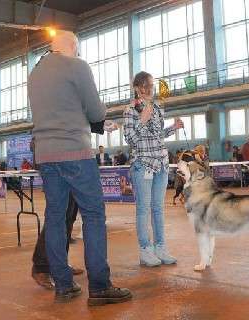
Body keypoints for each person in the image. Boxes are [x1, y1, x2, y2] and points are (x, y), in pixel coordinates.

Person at [28, 30, 131, 305]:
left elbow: (57, 110)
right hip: (75, 151)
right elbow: (96, 112)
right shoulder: (77, 65)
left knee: (55, 217)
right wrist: (101, 117)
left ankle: (63, 285)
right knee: (94, 215)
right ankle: (99, 285)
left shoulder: (35, 73)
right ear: (74, 46)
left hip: (46, 155)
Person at [124, 71, 183, 267]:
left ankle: (160, 247)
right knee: (143, 209)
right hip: (142, 164)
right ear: (137, 89)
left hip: (161, 164)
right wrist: (141, 120)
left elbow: (158, 136)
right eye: (144, 86)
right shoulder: (130, 110)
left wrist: (173, 127)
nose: (149, 90)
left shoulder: (158, 108)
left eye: (151, 86)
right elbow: (131, 140)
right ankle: (145, 250)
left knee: (158, 208)